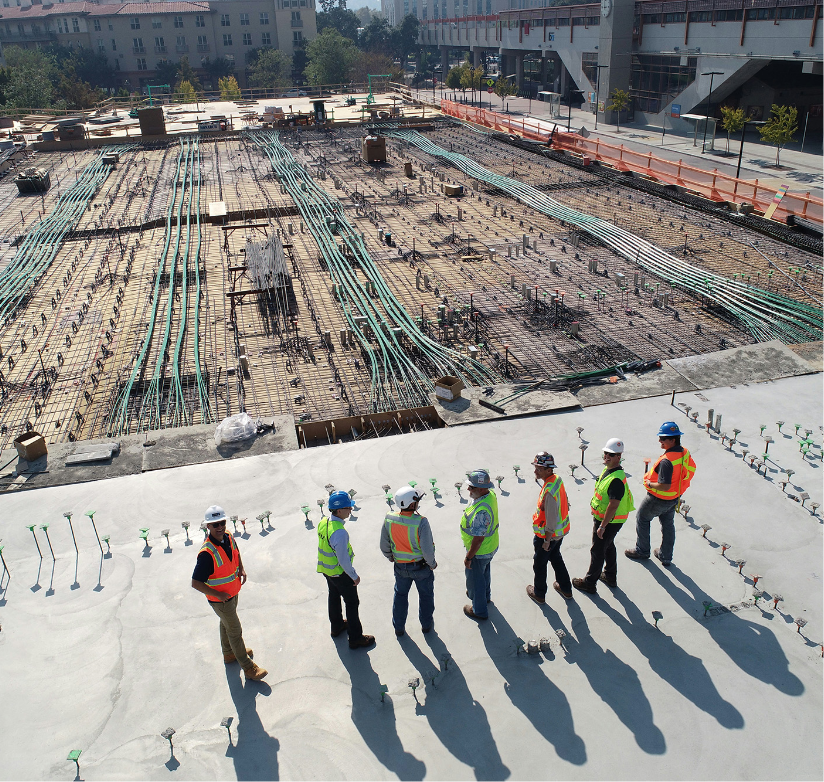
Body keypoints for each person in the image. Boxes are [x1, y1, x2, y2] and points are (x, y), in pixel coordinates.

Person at [191, 505, 267, 681]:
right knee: (235, 630)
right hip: (221, 600)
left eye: (222, 523)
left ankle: (229, 653)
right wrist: (218, 595)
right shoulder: (206, 554)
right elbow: (196, 583)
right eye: (215, 524)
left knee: (226, 624)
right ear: (208, 527)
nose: (220, 527)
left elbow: (236, 552)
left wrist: (241, 568)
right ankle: (249, 668)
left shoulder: (229, 537)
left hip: (232, 593)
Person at [626, 421, 696, 567]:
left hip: (658, 498)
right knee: (668, 524)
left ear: (673, 440)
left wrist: (649, 484)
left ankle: (642, 550)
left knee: (642, 519)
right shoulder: (684, 452)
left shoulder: (666, 462)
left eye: (663, 438)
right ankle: (666, 556)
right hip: (674, 497)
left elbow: (664, 485)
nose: (660, 441)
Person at [572, 439, 635, 595]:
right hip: (608, 520)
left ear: (619, 456)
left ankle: (589, 583)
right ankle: (610, 576)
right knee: (608, 545)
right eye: (606, 453)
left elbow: (613, 505)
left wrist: (602, 526)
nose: (607, 456)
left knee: (597, 550)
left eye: (611, 454)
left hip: (610, 521)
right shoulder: (610, 470)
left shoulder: (616, 480)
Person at [317, 490, 375, 649]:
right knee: (352, 602)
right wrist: (354, 576)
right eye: (349, 508)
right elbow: (343, 559)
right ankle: (356, 638)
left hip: (326, 570)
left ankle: (336, 627)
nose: (351, 510)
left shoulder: (324, 522)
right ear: (339, 510)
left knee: (334, 596)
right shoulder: (340, 532)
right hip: (339, 573)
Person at [380, 485, 437, 636]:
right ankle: (426, 625)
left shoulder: (389, 518)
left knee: (400, 595)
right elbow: (427, 549)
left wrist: (390, 556)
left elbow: (384, 544)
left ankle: (399, 627)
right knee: (425, 596)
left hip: (400, 567)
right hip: (421, 568)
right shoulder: (421, 522)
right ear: (412, 504)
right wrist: (432, 564)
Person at [526, 452, 573, 604]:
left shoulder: (549, 491)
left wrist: (546, 540)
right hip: (560, 533)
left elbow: (551, 519)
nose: (535, 471)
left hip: (548, 536)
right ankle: (566, 588)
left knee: (539, 564)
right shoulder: (556, 480)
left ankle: (539, 594)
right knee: (555, 557)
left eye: (539, 469)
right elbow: (564, 498)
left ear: (548, 470)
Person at [460, 469, 499, 621]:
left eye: (472, 487)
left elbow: (478, 539)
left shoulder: (482, 511)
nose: (468, 489)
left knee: (476, 580)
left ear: (482, 489)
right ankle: (485, 597)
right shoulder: (490, 495)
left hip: (480, 551)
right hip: (490, 547)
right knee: (484, 574)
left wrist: (469, 557)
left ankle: (479, 610)